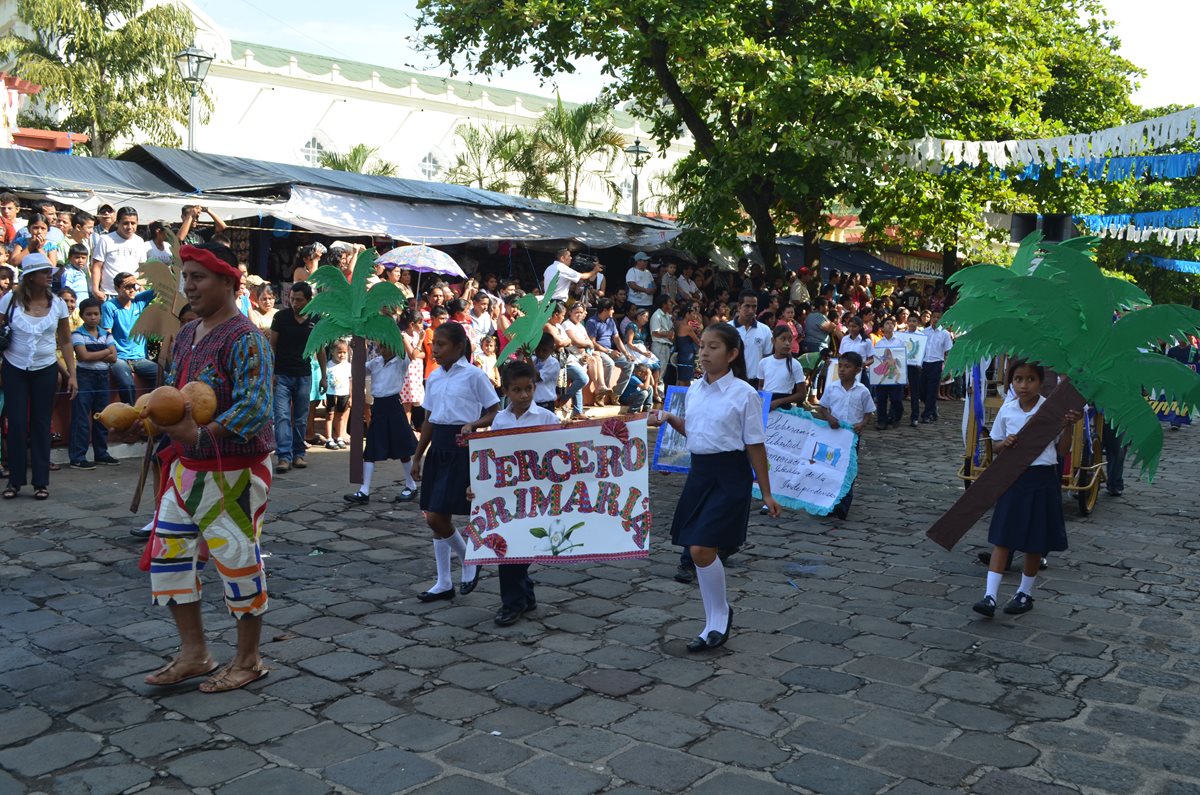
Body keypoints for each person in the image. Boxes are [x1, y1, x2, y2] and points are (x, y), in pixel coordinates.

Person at [141, 242, 275, 693]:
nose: (189, 286)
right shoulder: (187, 334)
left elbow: (255, 407)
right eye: (187, 277)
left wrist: (201, 436)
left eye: (198, 277)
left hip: (233, 470)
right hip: (186, 468)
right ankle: (195, 653)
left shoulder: (247, 337)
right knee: (170, 558)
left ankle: (249, 660)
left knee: (237, 561)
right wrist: (148, 420)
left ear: (227, 282)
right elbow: (175, 400)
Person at [659, 323, 780, 651]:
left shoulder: (745, 394)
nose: (705, 353)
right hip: (700, 474)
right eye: (703, 347)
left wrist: (766, 492)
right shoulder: (695, 390)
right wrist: (670, 418)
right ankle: (716, 617)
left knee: (700, 548)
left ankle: (718, 615)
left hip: (730, 476)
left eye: (714, 347)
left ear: (732, 354)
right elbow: (697, 434)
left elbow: (755, 445)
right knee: (699, 551)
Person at [973, 361, 1080, 618]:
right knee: (1002, 538)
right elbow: (996, 443)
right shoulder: (1008, 410)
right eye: (1018, 379)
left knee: (1034, 541)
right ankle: (990, 596)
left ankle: (1025, 593)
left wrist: (1069, 426)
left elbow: (1063, 450)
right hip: (1013, 479)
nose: (1023, 385)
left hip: (1042, 478)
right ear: (1011, 382)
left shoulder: (1051, 410)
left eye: (1030, 379)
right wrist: (1004, 444)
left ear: (1040, 382)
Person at [412, 322, 500, 602]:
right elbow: (429, 419)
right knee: (435, 517)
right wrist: (417, 456)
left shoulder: (474, 375)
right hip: (438, 446)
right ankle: (443, 581)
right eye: (434, 344)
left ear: (459, 347)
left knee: (437, 515)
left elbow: (494, 410)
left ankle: (469, 559)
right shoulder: (435, 377)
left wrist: (474, 424)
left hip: (461, 447)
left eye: (441, 344)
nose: (434, 349)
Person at [0, 254, 78, 499]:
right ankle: (15, 480)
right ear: (30, 277)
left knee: (41, 423)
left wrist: (72, 374)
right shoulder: (9, 301)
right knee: (17, 423)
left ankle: (41, 481)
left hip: (45, 368)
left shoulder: (58, 304)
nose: (49, 276)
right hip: (14, 366)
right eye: (45, 272)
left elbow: (65, 341)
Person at [489, 360, 559, 626]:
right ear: (506, 390)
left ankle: (523, 595)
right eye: (517, 390)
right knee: (507, 547)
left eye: (528, 389)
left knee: (525, 546)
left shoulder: (547, 418)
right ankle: (513, 603)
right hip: (507, 495)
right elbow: (491, 457)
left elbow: (560, 453)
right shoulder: (500, 420)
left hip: (538, 495)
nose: (524, 395)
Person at [343, 343, 419, 504]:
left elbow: (410, 354)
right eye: (380, 347)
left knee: (402, 448)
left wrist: (397, 336)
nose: (382, 350)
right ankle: (364, 491)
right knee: (371, 448)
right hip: (378, 407)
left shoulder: (400, 361)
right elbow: (358, 371)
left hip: (394, 406)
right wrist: (356, 351)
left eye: (386, 346)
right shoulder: (375, 362)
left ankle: (411, 485)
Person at [269, 281, 326, 473]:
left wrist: (324, 376)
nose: (295, 303)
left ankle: (299, 453)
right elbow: (272, 346)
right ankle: (284, 456)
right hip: (282, 374)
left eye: (299, 300)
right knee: (282, 416)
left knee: (301, 417)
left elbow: (320, 350)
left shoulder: (315, 320)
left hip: (304, 374)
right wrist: (271, 373)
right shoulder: (281, 317)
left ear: (309, 300)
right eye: (292, 299)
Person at [814, 351, 874, 520]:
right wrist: (829, 417)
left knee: (848, 469)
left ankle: (843, 504)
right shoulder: (832, 388)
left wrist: (862, 424)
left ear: (857, 370)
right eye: (840, 366)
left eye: (847, 367)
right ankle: (827, 501)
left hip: (851, 436)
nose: (842, 370)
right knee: (830, 467)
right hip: (833, 434)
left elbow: (869, 412)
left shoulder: (862, 391)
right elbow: (823, 407)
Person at [69, 297, 119, 469]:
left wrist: (97, 353)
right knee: (81, 418)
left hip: (102, 377)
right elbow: (84, 356)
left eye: (96, 314)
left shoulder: (106, 334)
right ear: (82, 316)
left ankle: (101, 454)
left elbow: (114, 357)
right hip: (84, 377)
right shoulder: (77, 334)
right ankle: (77, 456)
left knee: (102, 417)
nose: (93, 317)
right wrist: (105, 351)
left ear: (100, 315)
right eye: (89, 314)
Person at [102, 272, 157, 406]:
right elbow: (107, 334)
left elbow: (163, 287)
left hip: (140, 358)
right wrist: (112, 356)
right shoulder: (109, 306)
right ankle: (130, 416)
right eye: (127, 287)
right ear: (116, 288)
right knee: (127, 383)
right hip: (120, 357)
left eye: (134, 286)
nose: (132, 289)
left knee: (164, 377)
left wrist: (139, 282)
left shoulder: (139, 300)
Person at [585, 298, 633, 404]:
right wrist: (609, 352)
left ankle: (616, 393)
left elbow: (617, 338)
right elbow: (592, 343)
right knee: (609, 364)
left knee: (629, 363)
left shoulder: (611, 321)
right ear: (605, 310)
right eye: (612, 309)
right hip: (598, 351)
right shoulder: (592, 322)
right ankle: (601, 393)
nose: (613, 311)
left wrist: (626, 353)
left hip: (609, 350)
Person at [90, 207, 144, 300]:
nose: (130, 227)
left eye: (133, 223)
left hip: (134, 294)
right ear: (118, 223)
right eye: (126, 223)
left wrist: (141, 287)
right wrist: (95, 290)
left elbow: (143, 269)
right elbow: (96, 266)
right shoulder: (105, 240)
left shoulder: (140, 241)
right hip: (109, 294)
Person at [760, 326, 806, 410]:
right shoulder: (764, 362)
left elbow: (802, 394)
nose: (787, 343)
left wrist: (779, 401)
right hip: (766, 405)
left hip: (784, 407)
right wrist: (763, 401)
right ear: (773, 341)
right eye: (783, 339)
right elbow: (761, 386)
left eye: (790, 339)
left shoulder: (795, 365)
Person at [871, 317, 906, 429]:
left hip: (896, 374)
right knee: (881, 398)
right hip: (883, 374)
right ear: (882, 328)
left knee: (896, 398)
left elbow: (904, 358)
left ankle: (896, 416)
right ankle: (882, 420)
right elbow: (877, 359)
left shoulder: (900, 341)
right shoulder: (879, 343)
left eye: (892, 323)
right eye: (887, 323)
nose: (890, 325)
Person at [733, 291, 772, 388]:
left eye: (754, 306)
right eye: (747, 306)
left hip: (755, 383)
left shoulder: (765, 330)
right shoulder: (727, 329)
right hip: (732, 381)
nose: (751, 310)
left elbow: (767, 359)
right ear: (739, 306)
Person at [920, 310, 953, 423]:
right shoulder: (924, 332)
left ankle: (927, 414)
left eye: (938, 317)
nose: (935, 319)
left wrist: (947, 367)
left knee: (932, 390)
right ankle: (933, 408)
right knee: (922, 390)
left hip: (937, 363)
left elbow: (948, 351)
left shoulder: (945, 334)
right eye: (934, 317)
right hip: (924, 363)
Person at [398, 310, 426, 423]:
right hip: (407, 373)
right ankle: (406, 427)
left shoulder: (415, 335)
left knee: (412, 402)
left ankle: (408, 427)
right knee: (406, 404)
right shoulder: (403, 336)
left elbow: (423, 354)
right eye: (420, 322)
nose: (422, 325)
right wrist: (420, 342)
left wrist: (417, 352)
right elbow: (413, 355)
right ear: (411, 324)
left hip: (416, 372)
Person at [324, 340, 352, 449]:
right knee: (330, 415)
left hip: (343, 393)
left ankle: (339, 437)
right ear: (332, 352)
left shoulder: (348, 366)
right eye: (339, 352)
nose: (342, 355)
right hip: (330, 393)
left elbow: (350, 381)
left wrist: (351, 396)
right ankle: (329, 438)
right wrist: (323, 395)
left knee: (340, 415)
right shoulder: (328, 365)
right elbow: (325, 380)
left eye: (344, 352)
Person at [674, 302, 703, 387]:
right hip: (687, 355)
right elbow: (698, 342)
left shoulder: (678, 323)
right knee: (686, 381)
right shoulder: (687, 328)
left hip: (682, 353)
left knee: (681, 379)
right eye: (693, 313)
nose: (695, 315)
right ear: (687, 314)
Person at [533, 332, 561, 412]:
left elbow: (537, 377)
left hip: (546, 405)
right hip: (533, 404)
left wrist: (527, 357)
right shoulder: (534, 360)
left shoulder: (553, 363)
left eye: (544, 350)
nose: (540, 353)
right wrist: (522, 354)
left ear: (552, 349)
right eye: (538, 349)